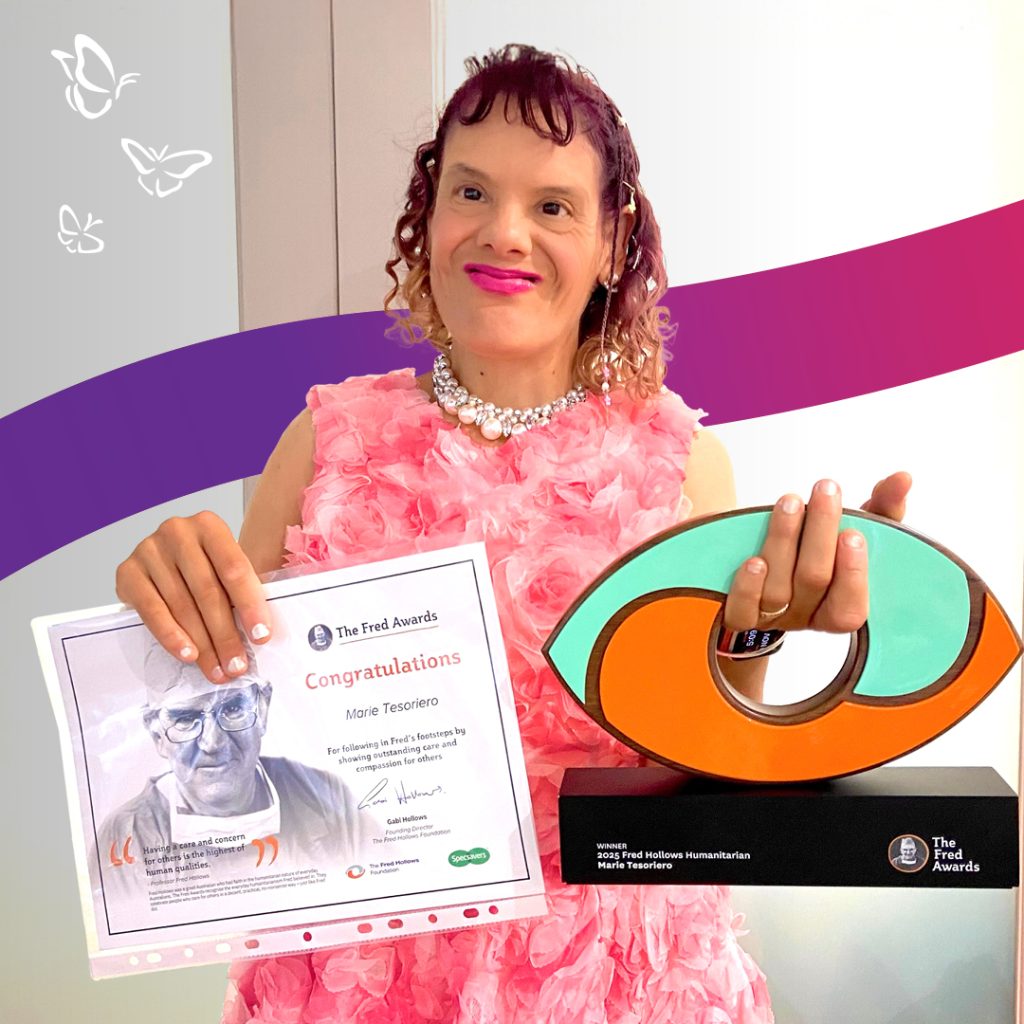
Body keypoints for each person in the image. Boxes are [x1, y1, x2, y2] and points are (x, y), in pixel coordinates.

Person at [116, 44, 910, 1024]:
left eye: (552, 205)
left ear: (613, 244)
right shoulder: (323, 442)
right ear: (428, 218)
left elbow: (704, 750)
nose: (503, 232)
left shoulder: (680, 460)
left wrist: (767, 630)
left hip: (615, 973)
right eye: (471, 191)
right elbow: (232, 715)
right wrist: (168, 603)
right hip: (369, 979)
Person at [97, 637, 365, 885]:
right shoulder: (128, 836)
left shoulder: (325, 798)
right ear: (157, 734)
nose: (212, 742)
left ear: (263, 709)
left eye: (233, 708)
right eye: (186, 719)